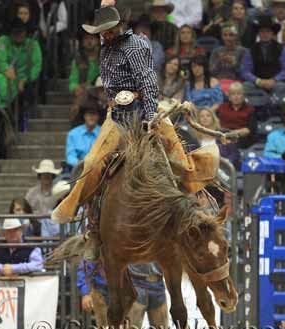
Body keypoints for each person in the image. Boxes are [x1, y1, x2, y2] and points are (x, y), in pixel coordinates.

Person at [51, 6, 219, 262]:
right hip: (117, 114)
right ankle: (93, 227)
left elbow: (148, 82)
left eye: (106, 31)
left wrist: (151, 116)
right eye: (101, 32)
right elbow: (109, 87)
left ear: (117, 27)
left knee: (176, 153)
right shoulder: (105, 47)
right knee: (93, 162)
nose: (103, 36)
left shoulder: (136, 45)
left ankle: (196, 203)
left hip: (144, 108)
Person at [0, 17, 43, 115]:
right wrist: (7, 70)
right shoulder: (3, 40)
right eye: (16, 32)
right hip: (6, 78)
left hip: (26, 81)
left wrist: (24, 80)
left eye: (21, 32)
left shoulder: (32, 44)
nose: (19, 35)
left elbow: (37, 66)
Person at [240, 16, 285, 96]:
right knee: (246, 86)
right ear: (258, 33)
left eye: (268, 31)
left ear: (272, 33)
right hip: (257, 82)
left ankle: (274, 106)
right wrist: (258, 81)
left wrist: (274, 80)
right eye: (262, 31)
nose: (265, 34)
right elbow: (245, 71)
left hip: (275, 82)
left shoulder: (281, 49)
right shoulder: (251, 50)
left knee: (281, 86)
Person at [69, 31, 101, 120]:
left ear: (97, 41)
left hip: (101, 93)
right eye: (86, 39)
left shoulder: (103, 58)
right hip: (84, 94)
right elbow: (73, 81)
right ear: (82, 42)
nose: (89, 41)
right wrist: (76, 87)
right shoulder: (78, 60)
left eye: (92, 38)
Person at [217, 82, 256, 149]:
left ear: (243, 96)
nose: (236, 96)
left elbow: (249, 129)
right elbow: (216, 124)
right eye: (233, 94)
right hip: (222, 137)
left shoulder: (250, 109)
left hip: (241, 139)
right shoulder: (222, 107)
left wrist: (232, 133)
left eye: (239, 94)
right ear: (229, 97)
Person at [209, 24, 246, 93]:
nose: (228, 38)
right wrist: (219, 61)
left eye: (231, 35)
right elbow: (211, 72)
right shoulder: (216, 51)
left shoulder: (243, 51)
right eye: (225, 35)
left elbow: (244, 74)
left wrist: (234, 63)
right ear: (222, 36)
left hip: (236, 83)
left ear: (236, 36)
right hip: (218, 82)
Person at [66, 103, 101, 168]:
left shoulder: (103, 132)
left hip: (99, 167)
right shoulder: (73, 133)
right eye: (89, 114)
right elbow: (70, 156)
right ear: (84, 116)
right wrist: (81, 164)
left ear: (98, 116)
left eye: (94, 114)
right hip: (79, 168)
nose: (91, 117)